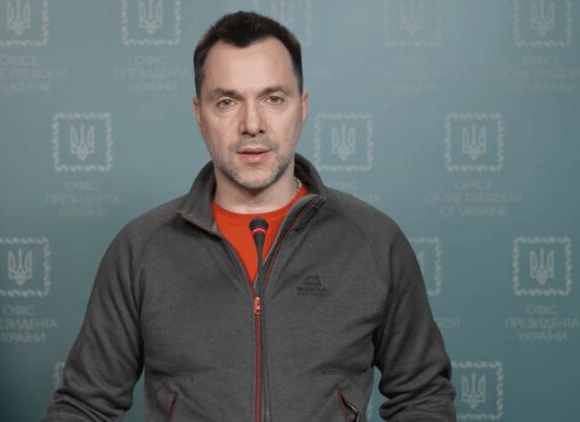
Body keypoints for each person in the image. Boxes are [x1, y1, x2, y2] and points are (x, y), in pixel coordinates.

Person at [44, 11, 456, 422]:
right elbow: (84, 407)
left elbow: (422, 397)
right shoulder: (141, 249)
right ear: (199, 114)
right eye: (227, 102)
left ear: (302, 107)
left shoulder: (373, 242)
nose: (252, 124)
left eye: (273, 99)